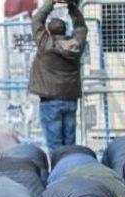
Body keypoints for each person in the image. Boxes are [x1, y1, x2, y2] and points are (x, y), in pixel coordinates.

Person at [28, 0, 87, 151]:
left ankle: (58, 172)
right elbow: (81, 27)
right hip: (70, 99)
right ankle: (71, 170)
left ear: (49, 30)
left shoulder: (45, 44)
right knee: (70, 144)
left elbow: (37, 20)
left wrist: (51, 2)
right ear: (65, 30)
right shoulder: (76, 45)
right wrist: (71, 6)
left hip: (50, 101)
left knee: (55, 147)